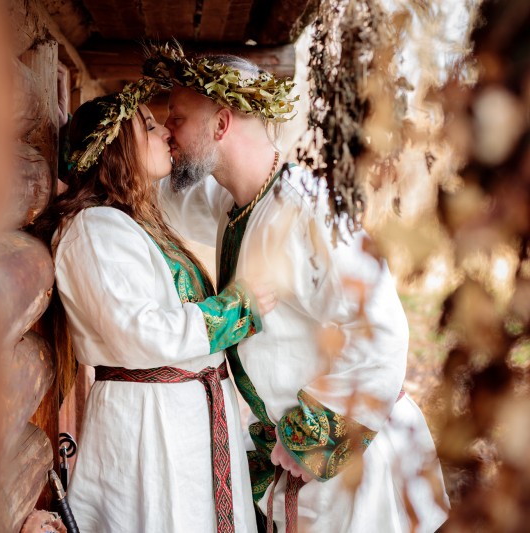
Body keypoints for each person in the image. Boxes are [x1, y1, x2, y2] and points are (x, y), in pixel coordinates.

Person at [145, 43, 450, 532]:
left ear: (221, 125)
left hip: (356, 468)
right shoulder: (236, 203)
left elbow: (380, 330)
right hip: (307, 473)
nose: (166, 132)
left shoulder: (308, 209)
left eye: (175, 119)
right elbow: (166, 196)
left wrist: (311, 442)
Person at [31, 78, 278, 533]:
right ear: (115, 148)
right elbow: (138, 332)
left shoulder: (134, 220)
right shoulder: (92, 229)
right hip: (150, 423)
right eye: (148, 126)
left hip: (183, 415)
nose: (164, 131)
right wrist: (236, 309)